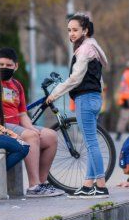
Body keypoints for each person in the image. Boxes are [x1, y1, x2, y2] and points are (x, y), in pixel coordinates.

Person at [46, 13, 110, 199]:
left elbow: (75, 78)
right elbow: (99, 78)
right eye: (69, 30)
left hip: (85, 99)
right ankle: (87, 185)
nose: (71, 34)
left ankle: (101, 186)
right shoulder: (94, 48)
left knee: (90, 144)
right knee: (91, 144)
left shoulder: (84, 51)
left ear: (85, 30)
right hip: (94, 98)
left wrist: (54, 94)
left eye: (75, 30)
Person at [0, 47, 62, 197]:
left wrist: (32, 128)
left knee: (51, 136)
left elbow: (22, 113)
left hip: (17, 125)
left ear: (16, 66)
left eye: (8, 65)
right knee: (31, 137)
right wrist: (31, 133)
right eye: (1, 65)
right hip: (1, 126)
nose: (4, 68)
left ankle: (43, 183)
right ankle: (33, 186)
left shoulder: (17, 85)